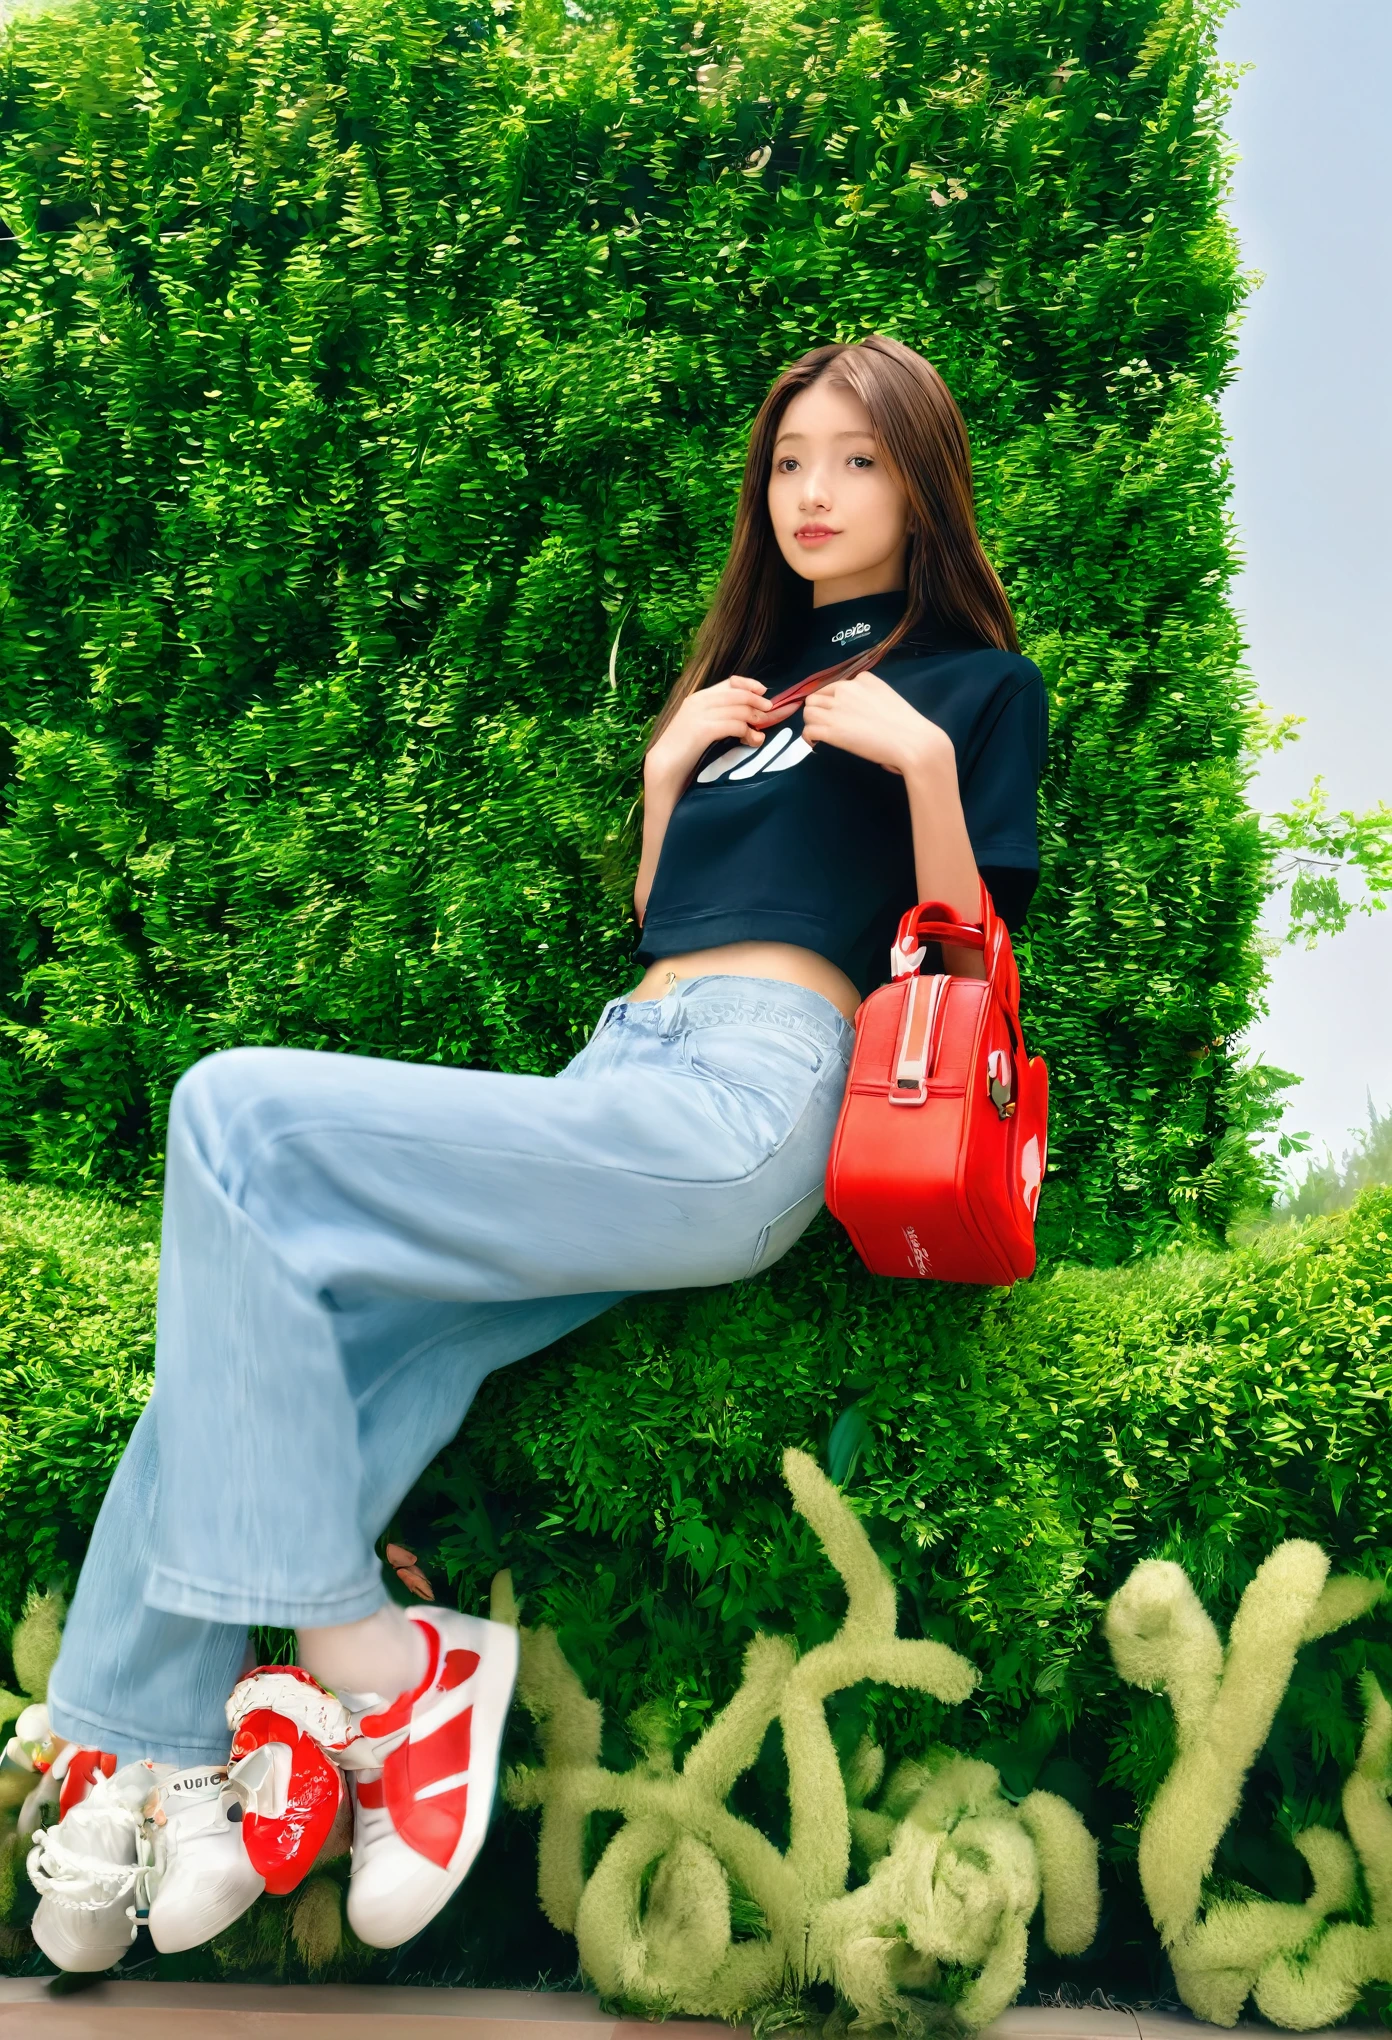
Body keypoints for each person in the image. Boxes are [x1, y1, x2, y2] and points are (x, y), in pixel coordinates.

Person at [28, 334, 1047, 1970]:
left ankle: (375, 1666)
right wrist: (666, 770)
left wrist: (922, 762)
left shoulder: (975, 693)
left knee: (229, 1112)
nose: (814, 493)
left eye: (855, 460)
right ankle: (146, 1756)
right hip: (625, 1060)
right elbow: (674, 918)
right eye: (790, 461)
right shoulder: (748, 695)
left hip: (751, 1100)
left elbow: (965, 943)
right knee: (306, 1333)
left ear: (922, 482)